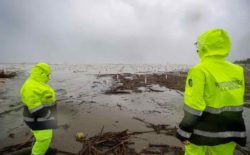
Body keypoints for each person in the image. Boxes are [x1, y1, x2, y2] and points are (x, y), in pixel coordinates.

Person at [176, 29, 246, 155]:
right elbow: (236, 100)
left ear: (203, 48)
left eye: (198, 46)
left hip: (202, 132)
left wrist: (184, 132)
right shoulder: (238, 70)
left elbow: (194, 106)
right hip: (231, 131)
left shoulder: (199, 70)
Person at [20, 63, 57, 155]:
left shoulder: (37, 83)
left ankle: (43, 150)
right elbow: (34, 107)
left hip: (42, 118)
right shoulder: (30, 86)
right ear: (42, 74)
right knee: (44, 138)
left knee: (40, 137)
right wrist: (48, 114)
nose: (49, 77)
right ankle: (37, 153)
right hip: (37, 119)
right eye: (48, 75)